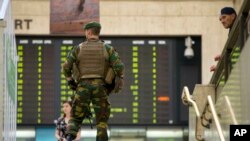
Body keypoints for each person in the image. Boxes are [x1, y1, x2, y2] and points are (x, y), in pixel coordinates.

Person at [62, 21, 125, 141]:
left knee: (75, 118)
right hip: (100, 88)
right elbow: (119, 67)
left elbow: (66, 67)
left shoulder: (78, 48)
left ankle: (69, 137)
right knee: (101, 122)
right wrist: (119, 78)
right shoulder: (108, 48)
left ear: (89, 32)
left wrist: (70, 79)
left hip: (82, 88)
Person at [210, 7, 237, 72]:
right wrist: (223, 57)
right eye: (220, 19)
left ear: (233, 16)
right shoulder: (232, 31)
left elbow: (238, 51)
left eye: (224, 17)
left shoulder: (240, 26)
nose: (222, 21)